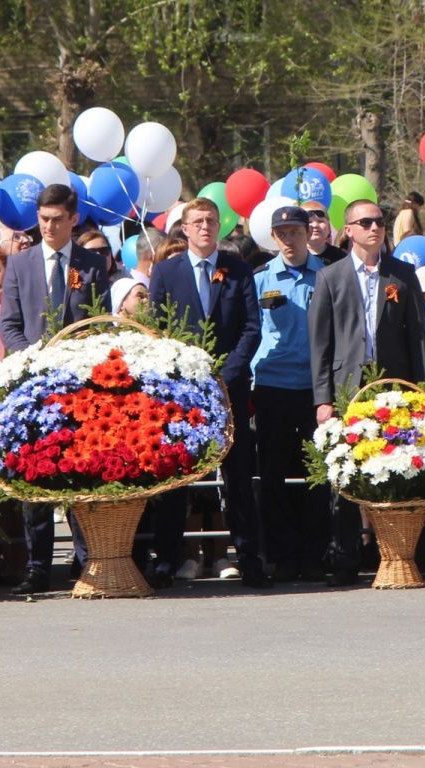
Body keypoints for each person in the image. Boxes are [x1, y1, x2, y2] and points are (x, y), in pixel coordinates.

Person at [307, 199, 425, 585]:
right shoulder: (331, 277)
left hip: (394, 386)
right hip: (347, 388)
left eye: (379, 221)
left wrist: (422, 393)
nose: (375, 228)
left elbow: (418, 340)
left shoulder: (402, 275)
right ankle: (345, 557)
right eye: (365, 222)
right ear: (349, 231)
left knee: (396, 467)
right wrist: (323, 398)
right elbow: (321, 344)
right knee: (345, 473)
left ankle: (398, 554)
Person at [0, 183, 111, 594]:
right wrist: (33, 359)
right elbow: (8, 323)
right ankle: (38, 565)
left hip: (80, 387)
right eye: (43, 219)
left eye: (57, 220)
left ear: (73, 219)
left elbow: (99, 322)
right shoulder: (20, 264)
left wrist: (77, 363)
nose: (48, 226)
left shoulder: (92, 264)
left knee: (81, 474)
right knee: (36, 477)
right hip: (35, 387)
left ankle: (87, 561)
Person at [146, 197, 264, 588]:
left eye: (211, 220)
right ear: (183, 227)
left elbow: (251, 328)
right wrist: (185, 376)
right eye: (196, 221)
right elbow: (157, 330)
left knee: (238, 477)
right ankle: (167, 559)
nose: (204, 227)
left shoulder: (238, 269)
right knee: (177, 477)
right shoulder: (166, 271)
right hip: (180, 393)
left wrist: (225, 374)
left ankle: (250, 559)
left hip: (228, 389)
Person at [249, 206, 324, 582]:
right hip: (272, 384)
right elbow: (252, 331)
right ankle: (279, 555)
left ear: (308, 233)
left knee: (317, 473)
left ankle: (314, 553)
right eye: (282, 233)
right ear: (274, 237)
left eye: (295, 232)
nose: (289, 239)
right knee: (274, 474)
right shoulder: (261, 278)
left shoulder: (326, 276)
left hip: (314, 386)